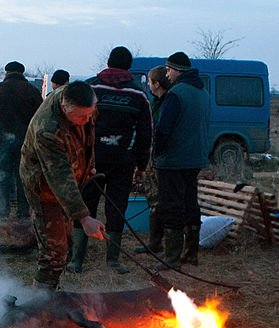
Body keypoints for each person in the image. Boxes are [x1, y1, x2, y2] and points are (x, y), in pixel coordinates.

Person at [20, 80, 105, 289]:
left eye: (89, 114)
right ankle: (40, 308)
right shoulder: (47, 128)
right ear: (65, 108)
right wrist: (84, 218)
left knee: (65, 242)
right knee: (54, 251)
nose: (87, 120)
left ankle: (53, 292)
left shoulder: (85, 106)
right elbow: (58, 175)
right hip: (44, 187)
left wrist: (88, 165)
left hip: (67, 181)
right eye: (81, 117)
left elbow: (86, 139)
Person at [76, 46, 151, 274]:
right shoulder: (138, 94)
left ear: (108, 63)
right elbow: (145, 133)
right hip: (123, 160)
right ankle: (113, 260)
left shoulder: (90, 87)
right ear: (129, 67)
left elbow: (76, 123)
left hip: (91, 160)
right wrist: (141, 165)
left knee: (85, 206)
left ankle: (76, 259)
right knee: (117, 208)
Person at [152, 51, 210, 269]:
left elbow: (164, 128)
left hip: (174, 160)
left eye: (168, 70)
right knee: (190, 203)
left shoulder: (176, 94)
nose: (167, 74)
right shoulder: (203, 93)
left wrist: (157, 152)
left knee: (172, 206)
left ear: (177, 70)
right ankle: (191, 253)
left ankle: (172, 257)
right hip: (196, 158)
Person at [0, 60, 42, 219]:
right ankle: (23, 212)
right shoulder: (31, 90)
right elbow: (39, 112)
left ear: (7, 72)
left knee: (3, 176)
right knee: (22, 177)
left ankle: (2, 210)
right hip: (25, 140)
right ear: (22, 72)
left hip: (2, 139)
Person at [135, 65, 171, 254]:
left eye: (149, 81)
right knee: (153, 200)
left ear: (156, 83)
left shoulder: (167, 103)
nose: (148, 85)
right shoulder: (155, 102)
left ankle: (158, 243)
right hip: (153, 157)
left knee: (159, 202)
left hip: (161, 159)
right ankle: (155, 242)